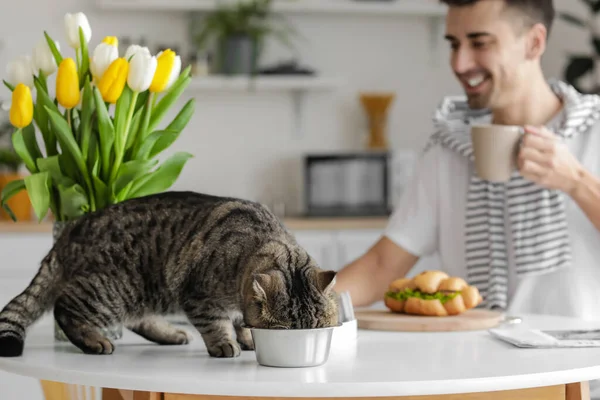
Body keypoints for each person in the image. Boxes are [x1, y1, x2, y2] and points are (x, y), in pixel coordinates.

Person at [334, 0, 600, 321]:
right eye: (454, 44)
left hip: (579, 365)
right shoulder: (449, 148)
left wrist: (577, 182)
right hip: (478, 364)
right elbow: (381, 268)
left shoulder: (594, 130)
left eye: (479, 43)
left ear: (534, 42)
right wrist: (294, 305)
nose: (460, 64)